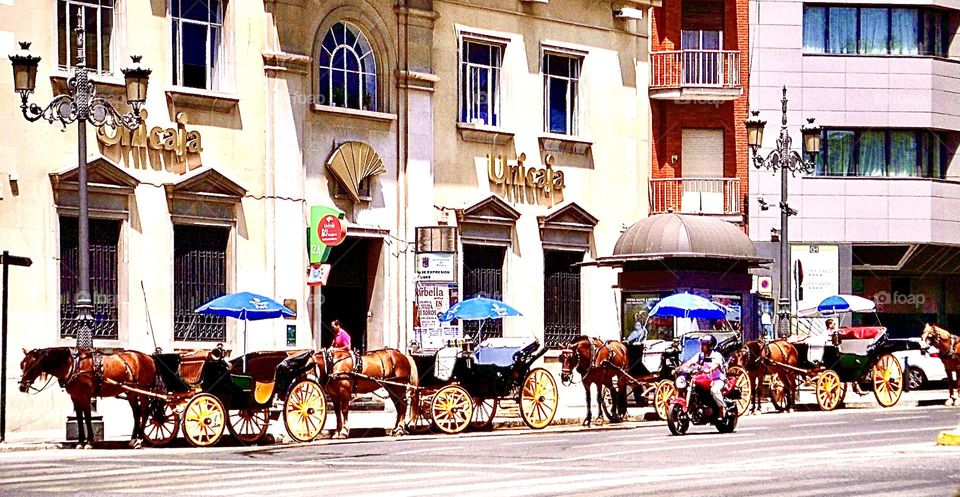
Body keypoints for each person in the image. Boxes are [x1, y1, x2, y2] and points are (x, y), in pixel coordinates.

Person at [679, 335, 727, 418]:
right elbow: (690, 362)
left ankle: (722, 408)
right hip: (704, 379)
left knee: (714, 390)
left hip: (717, 379)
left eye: (704, 345)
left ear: (710, 346)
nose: (701, 346)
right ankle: (690, 407)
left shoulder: (716, 355)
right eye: (701, 344)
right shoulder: (700, 355)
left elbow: (716, 364)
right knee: (691, 387)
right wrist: (681, 368)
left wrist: (710, 369)